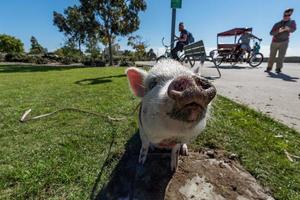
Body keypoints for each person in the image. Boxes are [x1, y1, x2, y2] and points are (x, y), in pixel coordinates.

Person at [266, 8, 297, 73]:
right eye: (285, 15)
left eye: (288, 15)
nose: (286, 17)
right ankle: (269, 68)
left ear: (290, 15)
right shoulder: (277, 24)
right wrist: (278, 31)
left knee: (281, 56)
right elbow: (271, 33)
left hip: (284, 41)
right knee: (272, 56)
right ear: (283, 15)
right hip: (274, 41)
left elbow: (293, 29)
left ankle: (278, 68)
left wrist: (288, 29)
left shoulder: (292, 22)